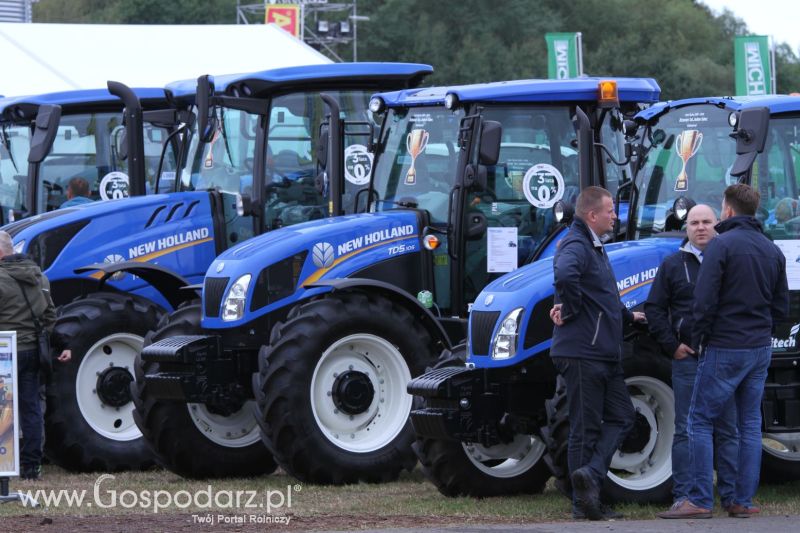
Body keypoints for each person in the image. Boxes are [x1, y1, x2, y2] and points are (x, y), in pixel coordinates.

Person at [659, 184, 789, 519]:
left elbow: (704, 302)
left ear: (727, 210)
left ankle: (700, 499)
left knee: (698, 420)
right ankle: (741, 500)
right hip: (759, 349)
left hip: (724, 346)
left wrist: (700, 338)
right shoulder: (772, 249)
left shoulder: (722, 246)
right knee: (748, 424)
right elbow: (781, 306)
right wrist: (763, 334)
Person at [550, 186, 646, 520]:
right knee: (585, 429)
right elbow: (564, 275)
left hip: (602, 352)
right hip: (583, 352)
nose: (615, 216)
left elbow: (601, 292)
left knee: (622, 415)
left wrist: (628, 315)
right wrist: (571, 309)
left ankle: (590, 474)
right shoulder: (576, 243)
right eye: (611, 211)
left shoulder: (593, 244)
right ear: (593, 215)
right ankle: (584, 505)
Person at [646, 205, 739, 512]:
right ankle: (685, 495)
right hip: (687, 359)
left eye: (706, 222)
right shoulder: (672, 264)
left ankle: (731, 496)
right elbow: (654, 309)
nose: (700, 227)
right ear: (685, 228)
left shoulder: (730, 260)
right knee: (686, 429)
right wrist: (672, 345)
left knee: (727, 428)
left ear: (718, 225)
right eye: (694, 223)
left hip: (723, 358)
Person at [0, 230, 71, 480]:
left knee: (2, 409)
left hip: (5, 354)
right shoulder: (39, 277)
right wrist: (61, 343)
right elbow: (50, 317)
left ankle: (3, 467)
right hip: (33, 353)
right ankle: (31, 467)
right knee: (30, 408)